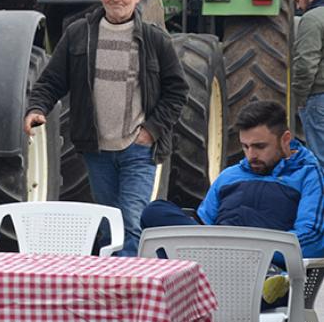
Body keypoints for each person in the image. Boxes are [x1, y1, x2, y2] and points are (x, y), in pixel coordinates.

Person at [25, 0, 188, 256]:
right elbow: (52, 80)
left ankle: (127, 290)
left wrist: (151, 130)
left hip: (138, 148)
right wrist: (37, 107)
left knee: (131, 219)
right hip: (96, 148)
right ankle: (108, 282)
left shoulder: (154, 40)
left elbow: (177, 91)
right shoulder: (79, 34)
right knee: (107, 222)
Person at [139, 100, 324, 262]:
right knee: (155, 211)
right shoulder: (229, 176)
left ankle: (224, 256)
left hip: (262, 269)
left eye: (260, 146)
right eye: (245, 146)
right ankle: (217, 257)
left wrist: (254, 250)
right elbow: (203, 226)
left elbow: (313, 239)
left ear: (285, 140)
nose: (251, 155)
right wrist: (221, 247)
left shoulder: (307, 175)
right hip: (213, 257)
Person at [291, 0, 324, 160]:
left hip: (319, 97)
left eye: (298, 1)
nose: (298, 7)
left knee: (320, 159)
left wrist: (300, 98)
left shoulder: (312, 19)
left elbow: (306, 63)